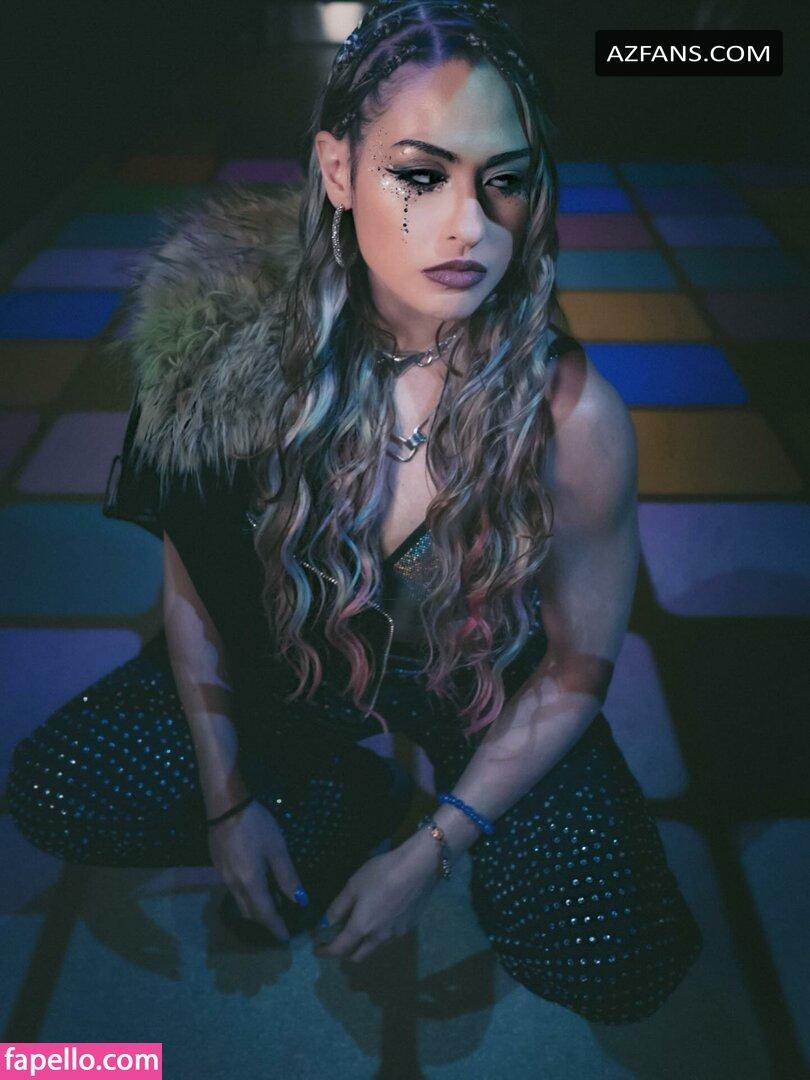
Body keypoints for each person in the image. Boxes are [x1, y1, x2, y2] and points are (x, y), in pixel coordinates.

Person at [6, 0, 702, 1024]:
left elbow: (574, 670)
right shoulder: (220, 352)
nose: (470, 227)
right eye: (419, 175)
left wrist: (435, 847)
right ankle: (339, 793)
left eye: (504, 180)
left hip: (472, 681)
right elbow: (195, 587)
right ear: (337, 169)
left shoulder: (573, 415)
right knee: (59, 789)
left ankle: (402, 810)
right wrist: (228, 803)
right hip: (288, 654)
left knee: (613, 954)